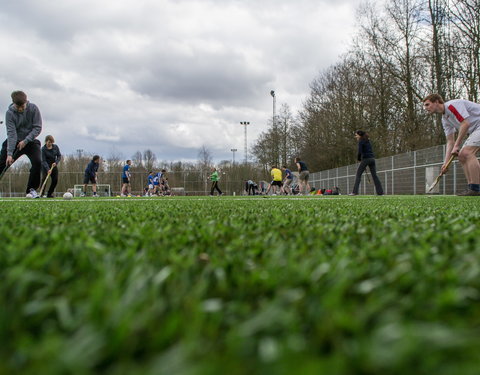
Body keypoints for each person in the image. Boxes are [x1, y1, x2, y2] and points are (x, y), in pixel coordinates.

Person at [423, 94, 480, 196]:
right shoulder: (445, 119)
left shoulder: (452, 106)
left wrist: (457, 145)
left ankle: (476, 188)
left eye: (427, 104)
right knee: (462, 156)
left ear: (436, 102)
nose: (426, 108)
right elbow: (450, 142)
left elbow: (465, 124)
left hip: (478, 126)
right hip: (475, 129)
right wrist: (445, 164)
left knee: (467, 153)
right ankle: (472, 187)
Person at [0, 91, 42, 197]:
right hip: (14, 141)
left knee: (38, 162)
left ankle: (31, 189)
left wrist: (26, 140)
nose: (20, 109)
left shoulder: (33, 109)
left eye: (22, 106)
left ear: (26, 102)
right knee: (2, 162)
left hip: (30, 141)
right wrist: (9, 154)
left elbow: (37, 127)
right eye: (18, 106)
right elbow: (11, 133)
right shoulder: (9, 113)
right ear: (13, 103)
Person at [349, 130, 384, 196]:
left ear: (359, 135)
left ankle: (354, 192)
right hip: (372, 159)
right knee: (374, 176)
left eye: (356, 135)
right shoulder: (368, 141)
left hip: (366, 159)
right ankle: (380, 192)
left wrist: (359, 159)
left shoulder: (361, 141)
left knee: (358, 175)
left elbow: (360, 151)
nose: (355, 136)